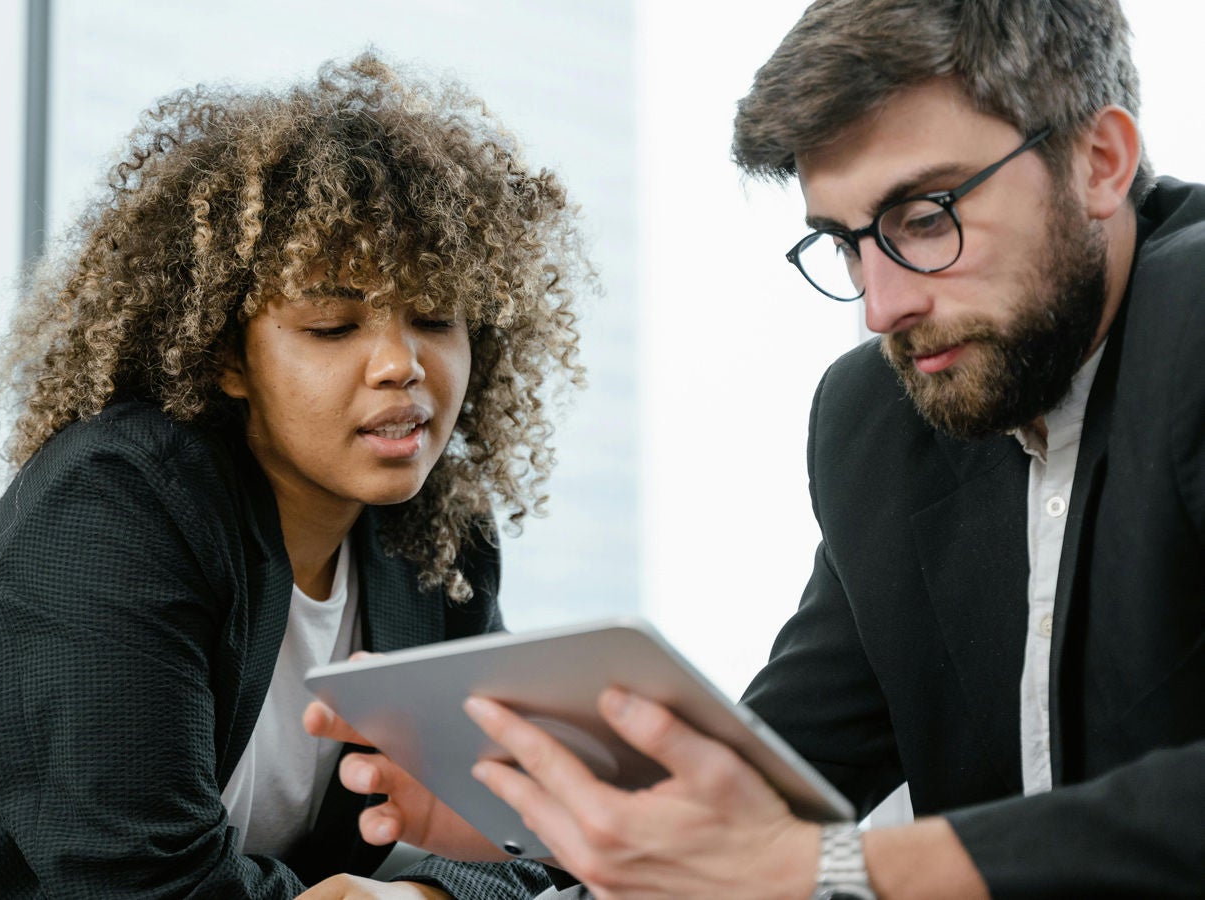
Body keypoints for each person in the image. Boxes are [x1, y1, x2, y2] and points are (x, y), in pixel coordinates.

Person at [308, 2, 1205, 897]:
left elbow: (790, 861)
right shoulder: (879, 423)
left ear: (1099, 162)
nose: (881, 309)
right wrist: (546, 822)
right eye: (846, 244)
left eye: (926, 218)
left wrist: (832, 870)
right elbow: (773, 788)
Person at [0, 54, 589, 899]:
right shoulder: (112, 505)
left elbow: (544, 837)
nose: (401, 365)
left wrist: (430, 894)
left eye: (436, 318)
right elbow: (135, 882)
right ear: (227, 356)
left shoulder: (438, 536)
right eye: (333, 326)